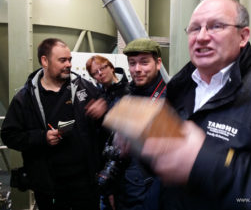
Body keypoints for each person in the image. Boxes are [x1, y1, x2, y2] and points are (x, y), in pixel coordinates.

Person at [139, 0, 251, 210]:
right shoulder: (179, 88)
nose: (202, 37)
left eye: (216, 26)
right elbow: (165, 163)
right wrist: (139, 144)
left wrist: (207, 161)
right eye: (195, 29)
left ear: (243, 36)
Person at [1, 38, 108, 210]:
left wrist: (104, 112)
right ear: (45, 61)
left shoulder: (84, 88)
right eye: (62, 60)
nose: (68, 64)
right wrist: (41, 138)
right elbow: (9, 135)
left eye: (70, 59)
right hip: (49, 186)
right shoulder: (25, 98)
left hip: (85, 183)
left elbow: (104, 126)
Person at [113, 38, 167, 210]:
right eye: (132, 63)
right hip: (125, 189)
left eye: (144, 62)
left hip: (151, 195)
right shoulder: (127, 96)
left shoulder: (171, 100)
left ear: (158, 63)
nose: (137, 69)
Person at [86, 55, 130, 210]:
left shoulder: (128, 92)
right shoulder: (97, 95)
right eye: (94, 73)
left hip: (121, 164)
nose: (100, 73)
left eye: (103, 68)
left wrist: (105, 115)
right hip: (102, 163)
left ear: (111, 67)